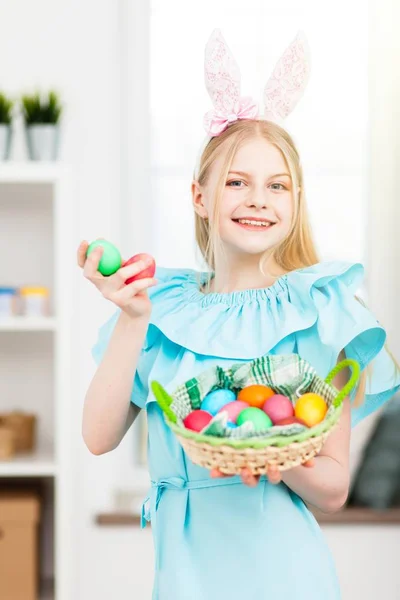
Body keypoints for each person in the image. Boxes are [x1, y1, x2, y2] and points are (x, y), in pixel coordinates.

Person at [78, 30, 400, 600]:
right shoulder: (159, 308)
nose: (258, 199)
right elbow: (98, 437)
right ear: (199, 197)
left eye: (277, 186)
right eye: (236, 182)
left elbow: (332, 489)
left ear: (294, 202)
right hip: (183, 576)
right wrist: (131, 319)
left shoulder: (318, 311)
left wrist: (274, 459)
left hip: (286, 576)